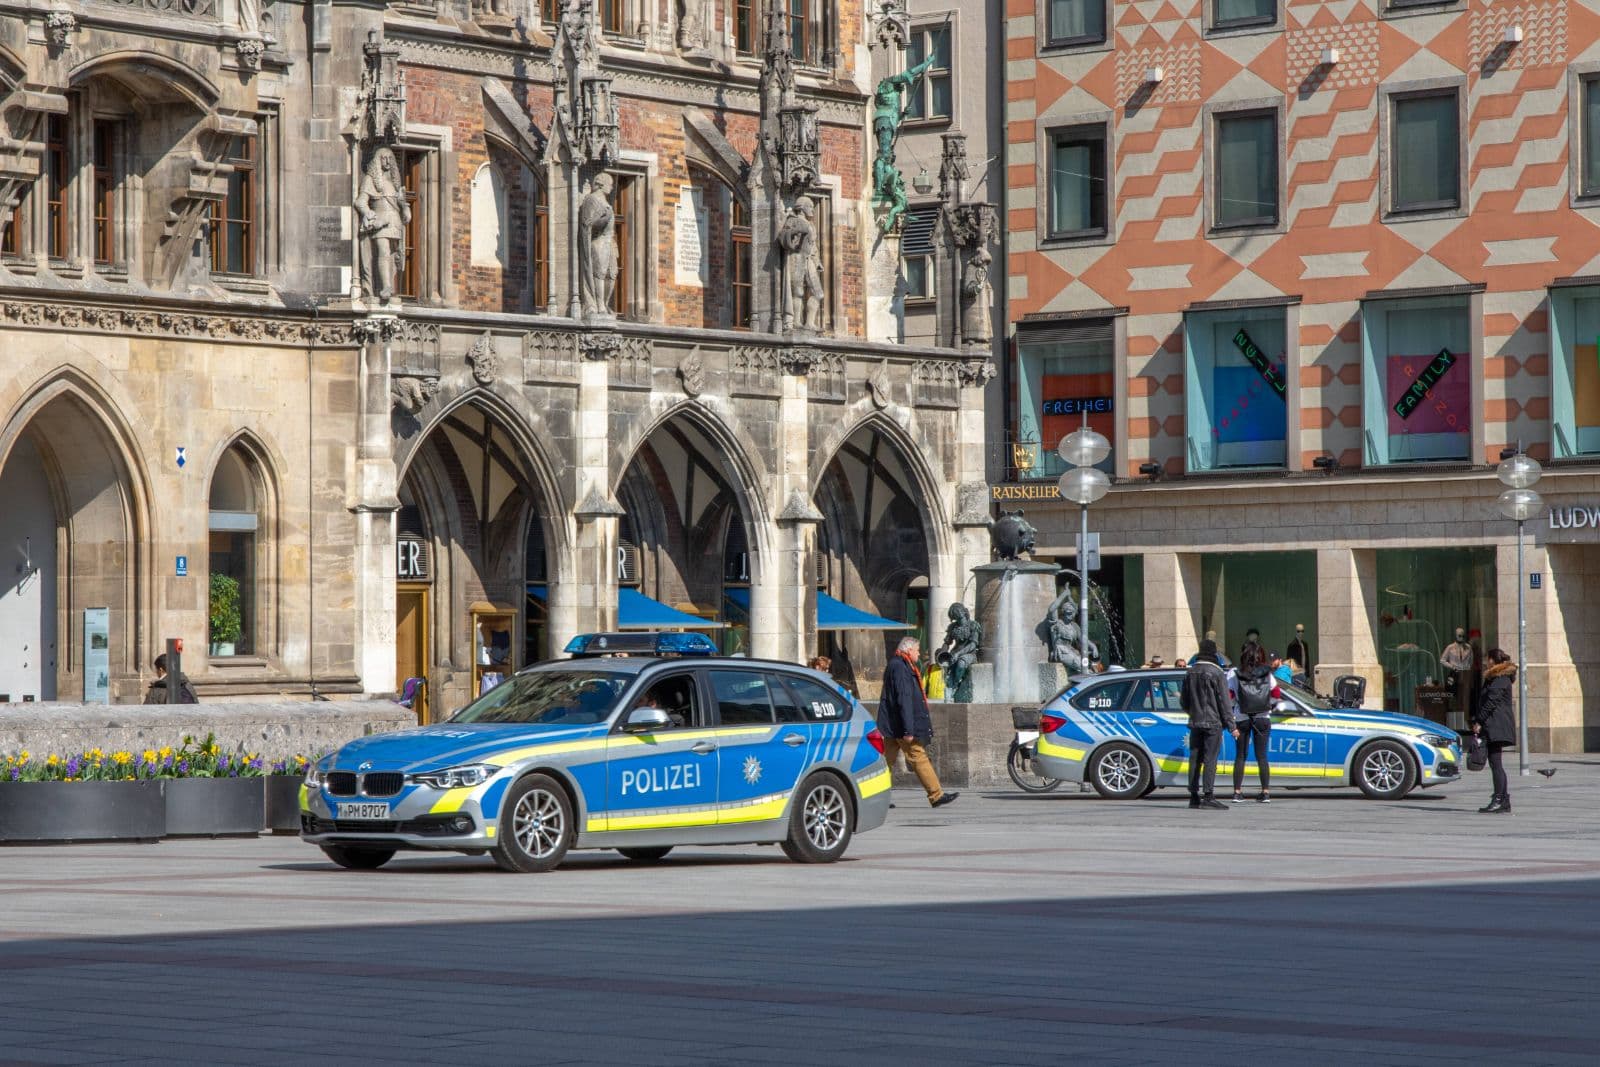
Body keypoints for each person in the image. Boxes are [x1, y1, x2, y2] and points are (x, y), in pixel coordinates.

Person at [877, 635, 957, 808]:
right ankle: (936, 795)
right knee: (918, 756)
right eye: (917, 650)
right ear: (908, 649)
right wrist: (908, 729)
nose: (919, 654)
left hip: (894, 723)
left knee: (885, 762)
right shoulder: (899, 667)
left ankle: (877, 799)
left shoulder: (900, 664)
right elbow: (903, 698)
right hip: (899, 725)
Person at [1180, 639, 1236, 809]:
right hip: (1213, 722)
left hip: (1195, 722)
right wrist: (1231, 725)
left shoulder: (1190, 672)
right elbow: (1224, 701)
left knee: (1195, 758)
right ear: (1213, 653)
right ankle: (1208, 796)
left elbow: (1184, 700)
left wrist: (1193, 712)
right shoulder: (1217, 673)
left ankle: (1193, 795)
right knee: (1210, 759)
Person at [1232, 641, 1280, 803]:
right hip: (1263, 717)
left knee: (1240, 755)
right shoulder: (1267, 673)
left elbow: (1229, 696)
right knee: (1262, 756)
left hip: (1242, 717)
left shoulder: (1234, 672)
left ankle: (1237, 792)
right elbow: (1276, 693)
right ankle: (1265, 791)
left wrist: (1235, 709)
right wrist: (1269, 706)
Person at [1472, 648, 1518, 814]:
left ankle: (1499, 799)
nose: (1485, 661)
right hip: (1494, 724)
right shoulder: (1496, 677)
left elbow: (1491, 702)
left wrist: (1479, 721)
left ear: (1493, 660)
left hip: (1496, 725)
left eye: (1487, 658)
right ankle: (1503, 799)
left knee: (1496, 764)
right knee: (1496, 763)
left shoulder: (1500, 678)